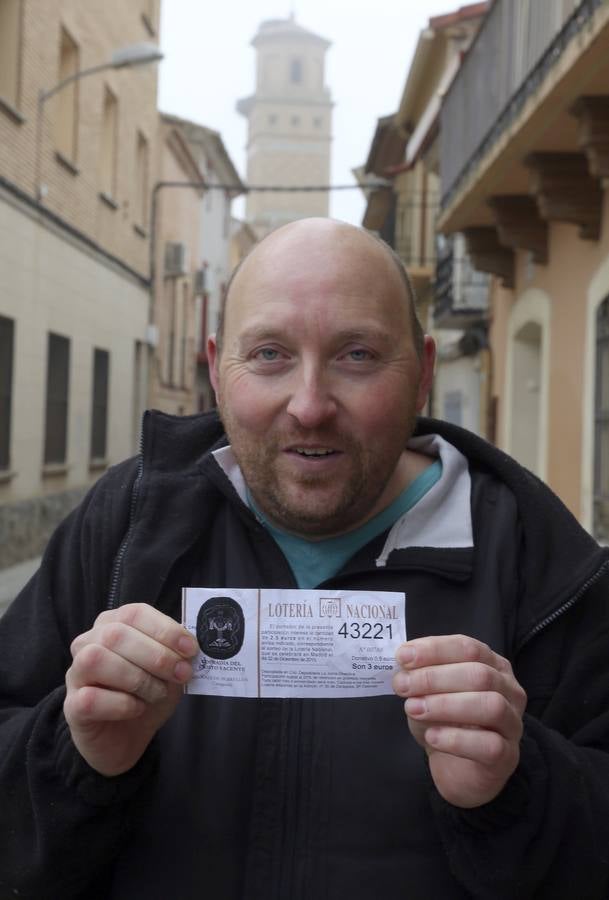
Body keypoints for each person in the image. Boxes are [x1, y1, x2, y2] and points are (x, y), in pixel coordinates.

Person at [1, 218, 608, 900]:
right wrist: (76, 756)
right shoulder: (126, 528)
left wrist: (516, 789)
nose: (310, 405)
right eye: (268, 354)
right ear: (215, 368)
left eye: (357, 355)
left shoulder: (538, 559)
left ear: (423, 374)